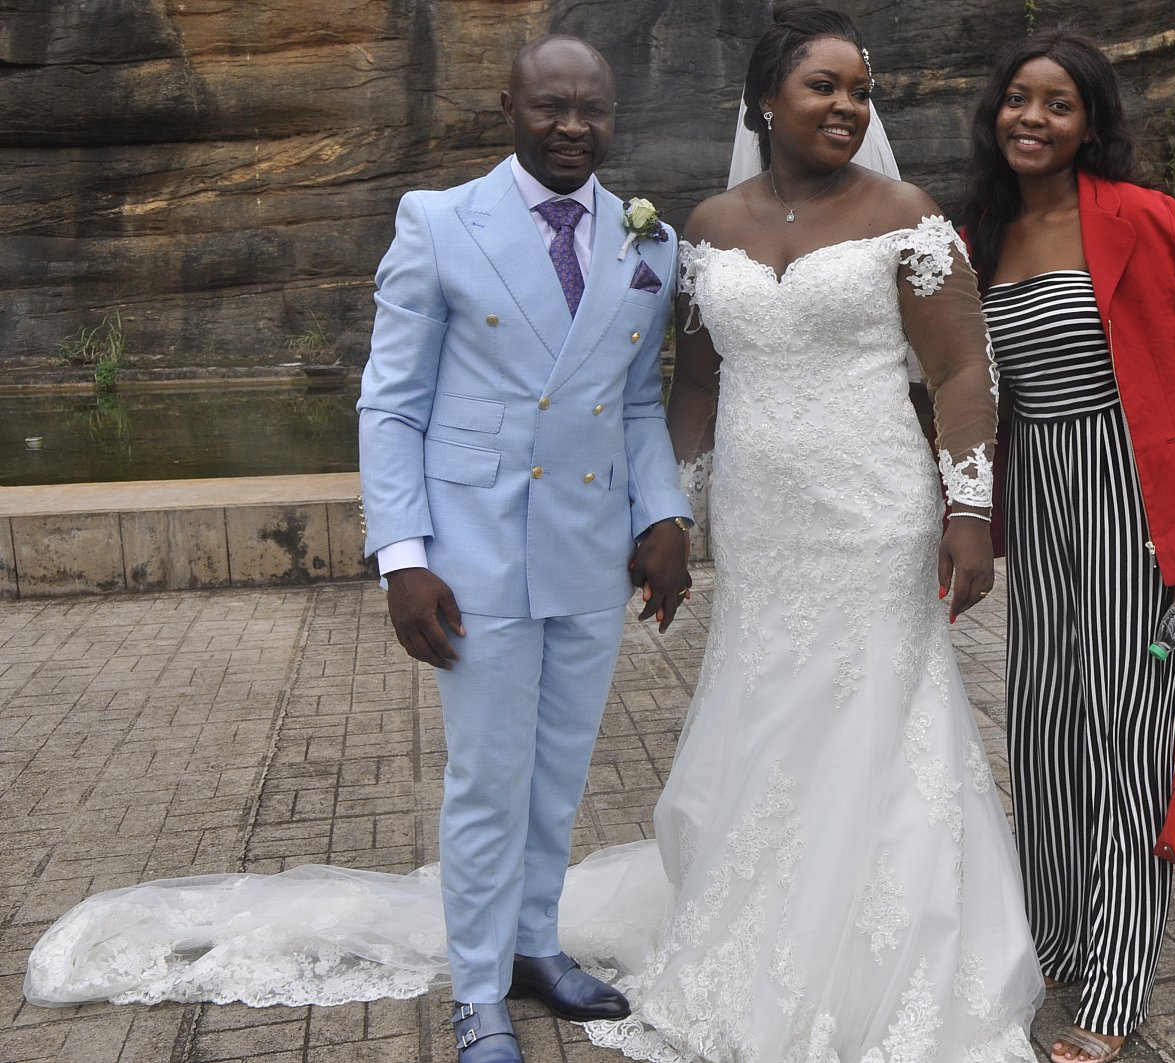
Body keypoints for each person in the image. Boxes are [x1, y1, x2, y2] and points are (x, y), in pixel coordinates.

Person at [552, 5, 1044, 1061]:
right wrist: (669, 511)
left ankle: (883, 959)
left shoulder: (903, 213)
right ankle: (763, 925)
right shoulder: (709, 224)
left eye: (860, 90)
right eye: (824, 86)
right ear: (765, 102)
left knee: (875, 716)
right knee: (767, 710)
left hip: (873, 510)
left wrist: (969, 508)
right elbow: (695, 383)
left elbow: (962, 369)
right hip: (761, 521)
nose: (848, 106)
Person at [355, 35, 694, 1062]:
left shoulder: (650, 241)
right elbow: (391, 404)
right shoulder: (439, 221)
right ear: (508, 106)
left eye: (592, 108)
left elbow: (638, 404)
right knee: (487, 778)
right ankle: (476, 988)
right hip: (473, 557)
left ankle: (534, 944)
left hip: (589, 550)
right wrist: (403, 556)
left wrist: (664, 517)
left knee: (557, 774)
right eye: (550, 105)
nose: (572, 126)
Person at [962, 30, 1175, 1063]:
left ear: (1090, 122)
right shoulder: (979, 231)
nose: (1033, 118)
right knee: (1045, 728)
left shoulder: (1141, 217)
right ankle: (1055, 942)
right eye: (1019, 97)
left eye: (1058, 103)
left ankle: (1118, 979)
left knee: (1128, 739)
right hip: (1038, 501)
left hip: (1133, 501)